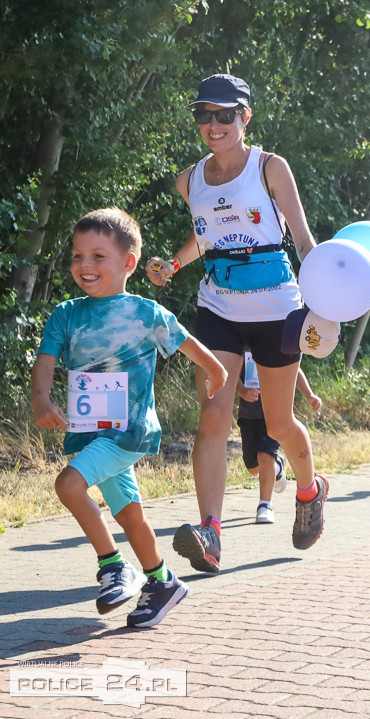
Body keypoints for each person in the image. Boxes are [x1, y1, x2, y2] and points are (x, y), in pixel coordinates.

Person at [145, 74, 328, 571]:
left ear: (245, 118)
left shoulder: (270, 167)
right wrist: (173, 264)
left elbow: (305, 240)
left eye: (225, 115)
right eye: (204, 114)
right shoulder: (190, 179)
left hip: (277, 309)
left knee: (278, 422)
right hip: (218, 306)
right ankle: (210, 532)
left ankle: (310, 492)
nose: (214, 124)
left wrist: (326, 300)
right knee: (213, 416)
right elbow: (206, 233)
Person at [30, 208, 228, 627]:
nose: (85, 265)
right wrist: (42, 399)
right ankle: (163, 581)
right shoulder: (67, 314)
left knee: (69, 484)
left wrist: (218, 371)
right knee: (131, 517)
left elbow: (188, 342)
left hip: (129, 431)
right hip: (90, 434)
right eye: (78, 255)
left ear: (128, 263)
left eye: (98, 256)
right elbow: (45, 360)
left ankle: (113, 566)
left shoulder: (145, 313)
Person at [236, 355, 321, 524]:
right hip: (248, 416)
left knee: (265, 456)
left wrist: (309, 395)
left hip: (275, 414)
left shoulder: (273, 343)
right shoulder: (241, 344)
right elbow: (232, 373)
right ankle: (277, 467)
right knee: (253, 467)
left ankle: (265, 506)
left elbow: (294, 370)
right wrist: (242, 390)